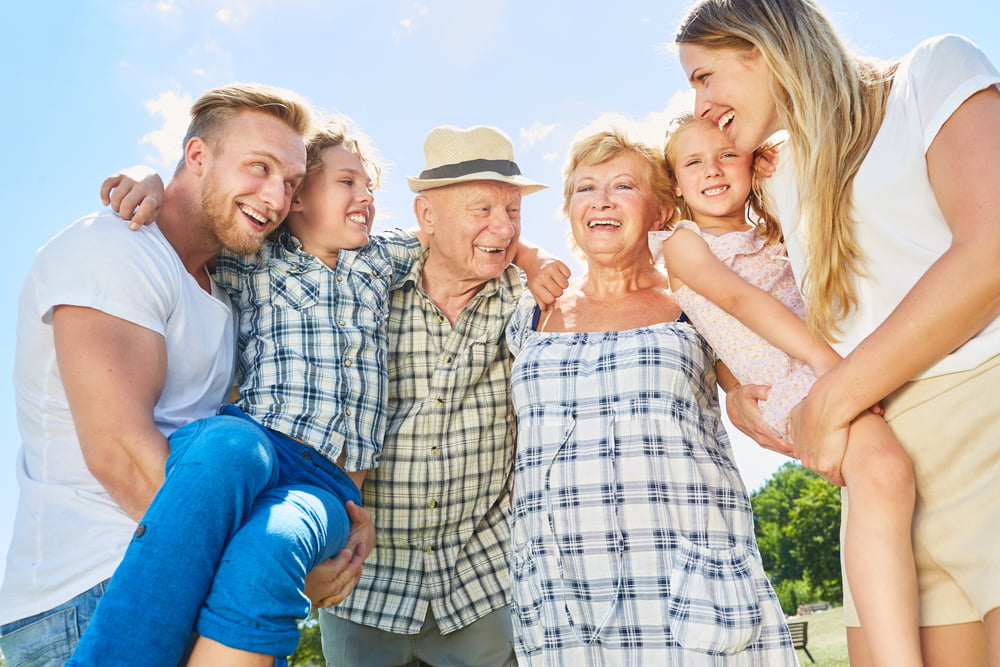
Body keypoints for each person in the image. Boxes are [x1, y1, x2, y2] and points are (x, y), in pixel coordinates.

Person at [675, 1, 1000, 665]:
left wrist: (831, 394)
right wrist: (734, 384)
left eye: (704, 76)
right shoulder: (772, 175)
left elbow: (991, 249)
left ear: (761, 44)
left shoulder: (931, 74)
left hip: (982, 424)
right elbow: (731, 286)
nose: (702, 103)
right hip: (872, 463)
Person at [67, 117, 422, 667]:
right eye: (348, 182)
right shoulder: (254, 259)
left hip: (325, 484)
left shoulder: (379, 259)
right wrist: (150, 180)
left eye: (370, 187)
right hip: (256, 443)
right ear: (298, 197)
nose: (367, 197)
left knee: (269, 551)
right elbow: (193, 215)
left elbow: (448, 236)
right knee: (225, 447)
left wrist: (532, 259)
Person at [0, 83, 318, 666]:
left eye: (290, 183)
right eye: (259, 167)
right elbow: (120, 454)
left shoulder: (221, 292)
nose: (275, 198)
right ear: (197, 157)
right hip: (88, 593)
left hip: (178, 574)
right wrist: (263, 562)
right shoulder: (115, 247)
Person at [505, 128, 797, 664]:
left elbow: (743, 367)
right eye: (585, 188)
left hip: (687, 579)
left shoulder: (692, 295)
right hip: (562, 592)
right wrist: (527, 257)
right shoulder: (530, 312)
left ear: (661, 211)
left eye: (622, 185)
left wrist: (738, 397)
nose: (601, 200)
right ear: (570, 209)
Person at [651, 113, 920, 664]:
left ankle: (876, 646)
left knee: (877, 492)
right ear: (675, 183)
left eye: (728, 154)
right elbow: (737, 303)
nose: (714, 170)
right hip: (788, 381)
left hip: (821, 365)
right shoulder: (682, 242)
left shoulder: (770, 226)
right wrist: (830, 364)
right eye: (694, 162)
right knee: (884, 472)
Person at [319, 124, 570, 667]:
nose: (501, 228)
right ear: (426, 217)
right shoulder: (364, 286)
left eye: (513, 212)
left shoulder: (529, 301)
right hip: (364, 586)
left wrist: (531, 258)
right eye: (481, 210)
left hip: (482, 586)